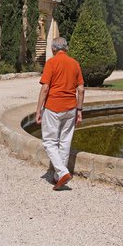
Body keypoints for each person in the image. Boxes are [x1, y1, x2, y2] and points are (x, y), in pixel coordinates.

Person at [35, 37, 85, 190]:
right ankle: (58, 177)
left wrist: (38, 110)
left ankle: (62, 172)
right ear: (66, 48)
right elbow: (81, 90)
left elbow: (45, 88)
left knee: (49, 142)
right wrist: (79, 110)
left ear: (53, 49)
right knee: (65, 143)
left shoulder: (51, 62)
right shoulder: (75, 63)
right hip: (70, 108)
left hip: (53, 107)